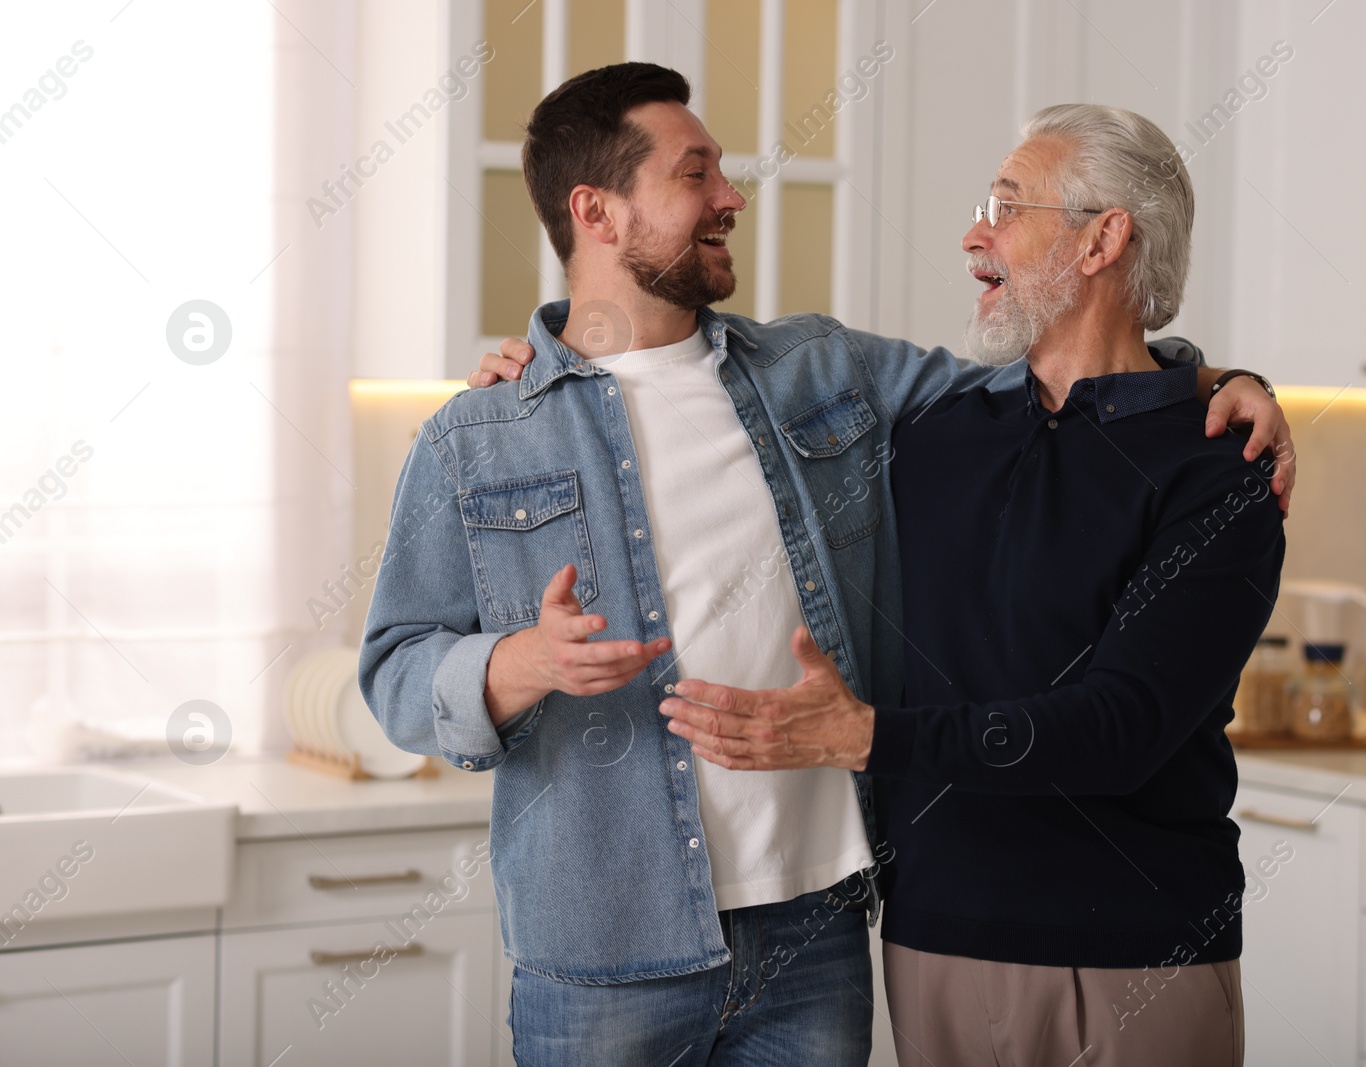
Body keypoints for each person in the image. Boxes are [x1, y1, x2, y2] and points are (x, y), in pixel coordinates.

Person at [368, 62, 1292, 1066]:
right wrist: (519, 663)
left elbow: (1079, 376)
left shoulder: (825, 375)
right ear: (598, 210)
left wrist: (1225, 379)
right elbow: (396, 670)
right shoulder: (481, 435)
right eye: (696, 175)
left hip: (818, 932)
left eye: (722, 171)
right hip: (610, 952)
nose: (731, 197)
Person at [658, 104, 1285, 1067]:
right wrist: (543, 360)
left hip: (1133, 958)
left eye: (1007, 206)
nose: (973, 234)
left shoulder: (1218, 471)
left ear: (1104, 239)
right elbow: (706, 372)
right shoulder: (936, 431)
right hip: (933, 941)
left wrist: (865, 736)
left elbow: (1120, 727)